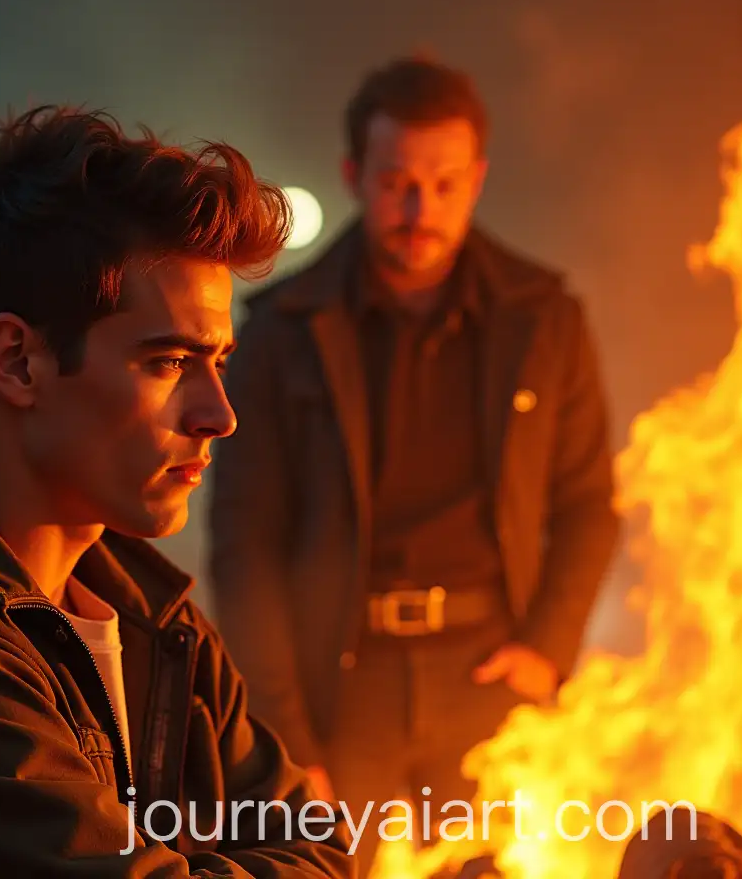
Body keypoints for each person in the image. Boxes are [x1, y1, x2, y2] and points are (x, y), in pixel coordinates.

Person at [0, 105, 354, 877]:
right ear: (17, 361)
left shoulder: (155, 622)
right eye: (170, 362)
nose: (219, 414)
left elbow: (323, 842)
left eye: (219, 363)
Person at [206, 55, 622, 876]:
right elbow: (244, 546)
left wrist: (546, 648)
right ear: (354, 175)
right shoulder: (283, 331)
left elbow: (588, 504)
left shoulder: (544, 319)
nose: (419, 209)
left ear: (477, 180)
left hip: (490, 677)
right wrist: (285, 732)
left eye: (443, 184)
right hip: (340, 687)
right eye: (397, 182)